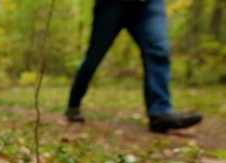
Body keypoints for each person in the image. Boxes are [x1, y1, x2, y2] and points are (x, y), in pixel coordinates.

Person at [65, 0, 202, 133]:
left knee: (158, 51)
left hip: (148, 4)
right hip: (110, 4)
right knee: (94, 57)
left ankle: (160, 114)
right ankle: (73, 104)